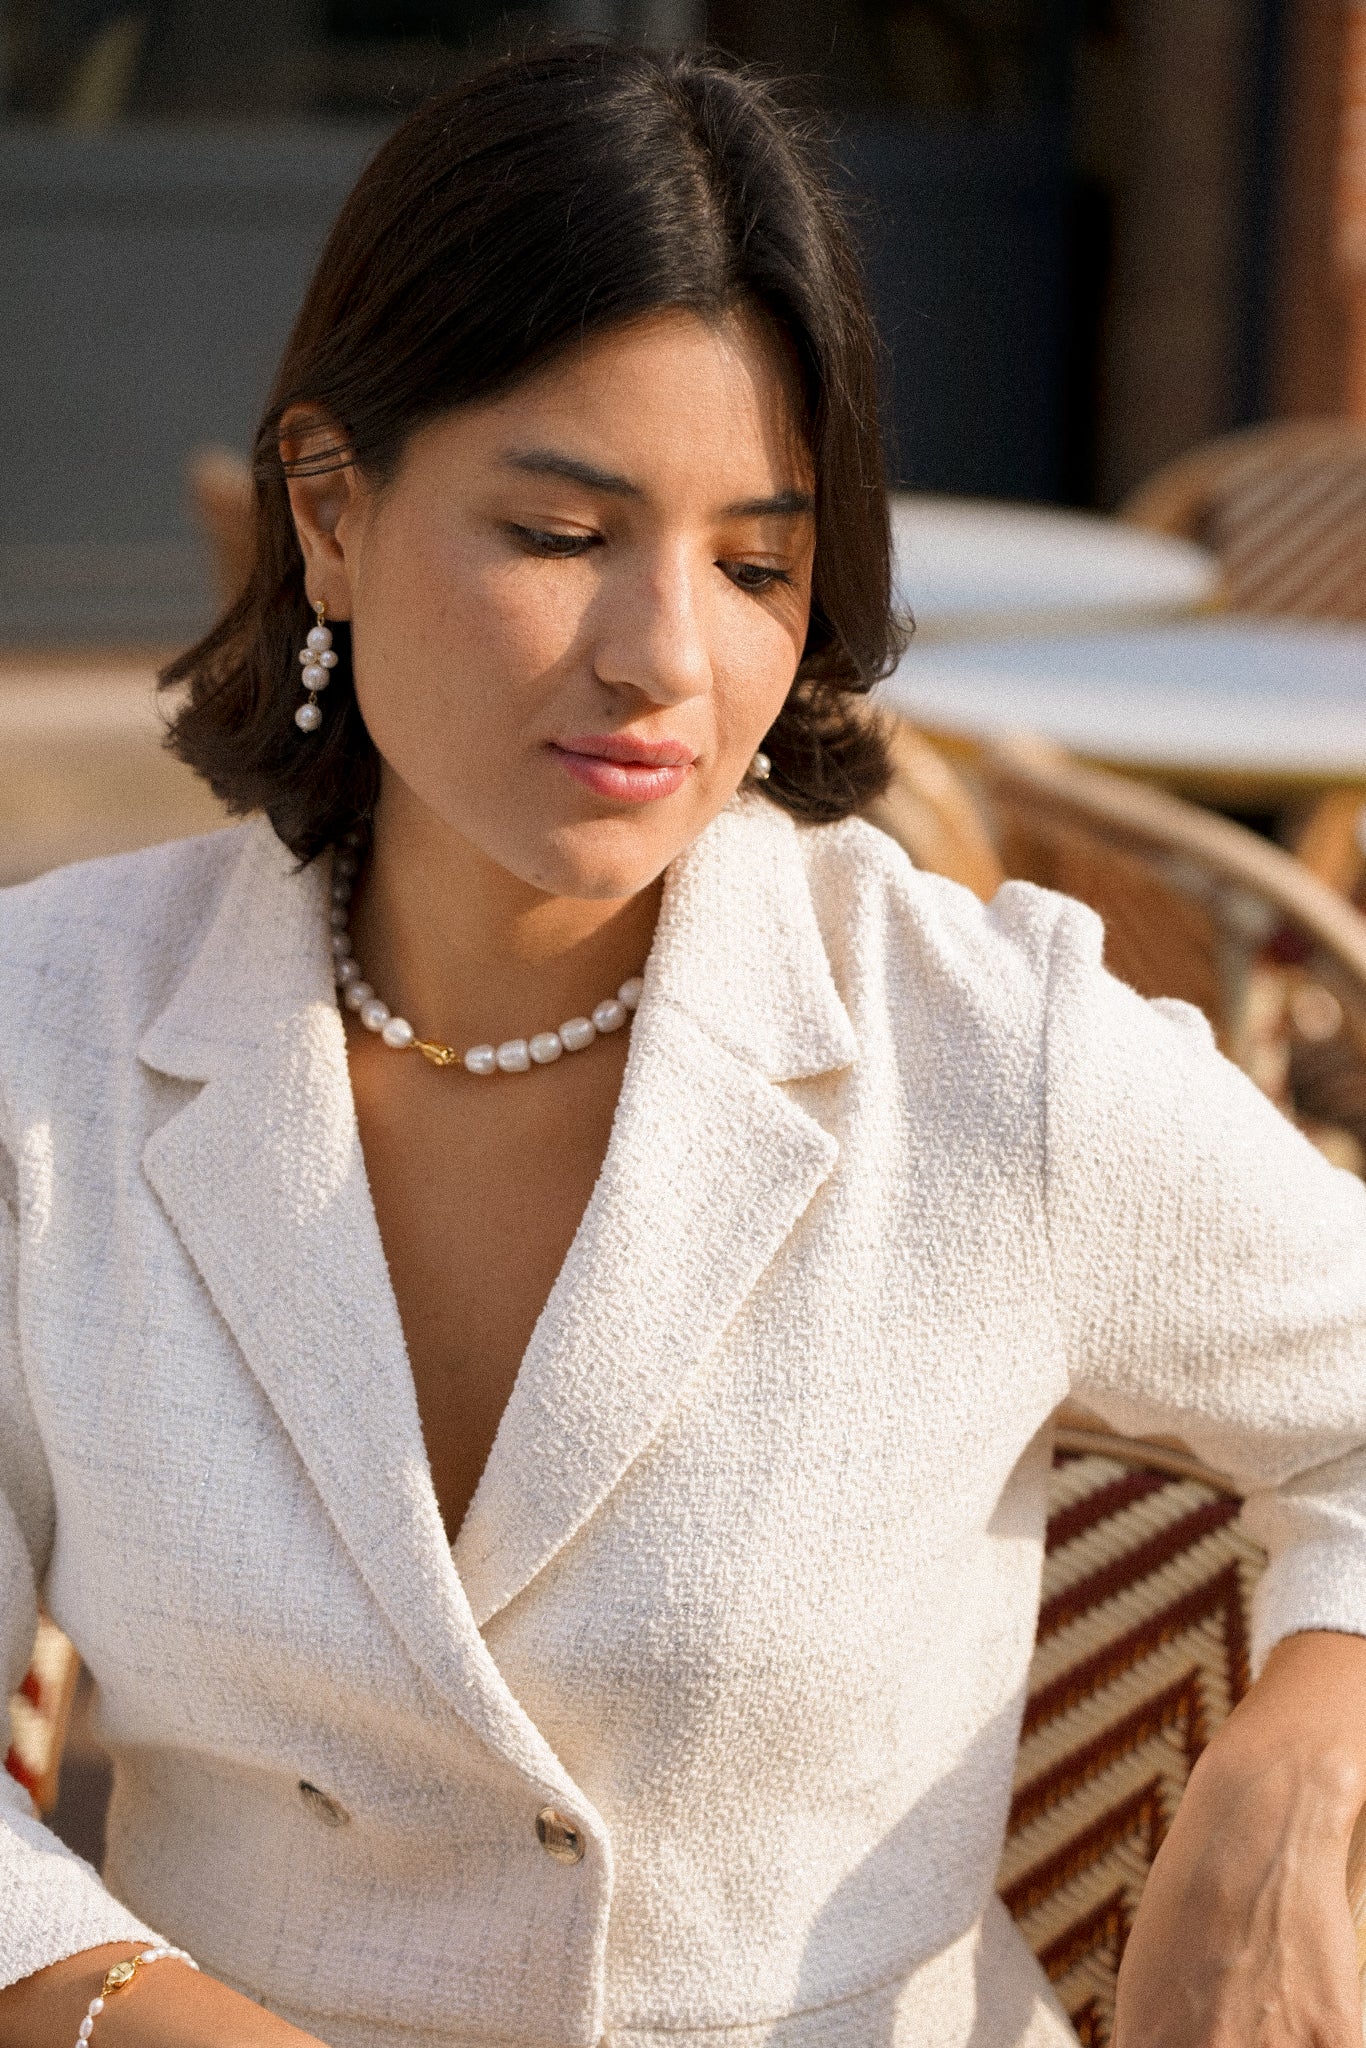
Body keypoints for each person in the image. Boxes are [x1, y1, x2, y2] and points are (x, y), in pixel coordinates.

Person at [2, 38, 1366, 2048]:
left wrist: (1297, 1757)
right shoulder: (49, 1034)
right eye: (561, 533)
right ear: (330, 510)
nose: (664, 657)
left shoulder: (977, 1053)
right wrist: (128, 2003)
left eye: (753, 566)